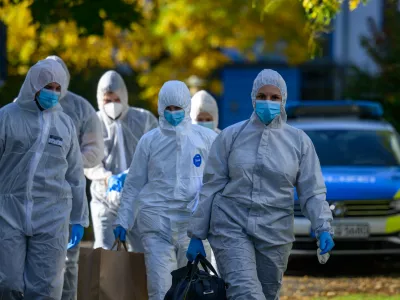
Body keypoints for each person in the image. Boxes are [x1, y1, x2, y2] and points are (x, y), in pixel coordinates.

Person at [186, 69, 335, 300]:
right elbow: (211, 187)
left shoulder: (299, 142)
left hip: (275, 232)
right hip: (230, 225)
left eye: (274, 97)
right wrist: (196, 234)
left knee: (267, 295)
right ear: (253, 97)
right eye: (262, 96)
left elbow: (312, 191)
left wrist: (323, 226)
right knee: (245, 293)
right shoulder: (230, 137)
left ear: (283, 100)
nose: (268, 102)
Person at [114, 81, 217, 300]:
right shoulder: (150, 141)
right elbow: (134, 183)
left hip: (193, 227)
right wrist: (123, 219)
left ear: (187, 107)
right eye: (168, 108)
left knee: (193, 290)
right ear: (160, 108)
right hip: (156, 225)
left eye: (177, 108)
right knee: (160, 290)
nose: (172, 113)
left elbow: (218, 182)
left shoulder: (206, 139)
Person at [0, 59, 89, 299]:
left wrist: (79, 217)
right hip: (8, 212)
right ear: (33, 86)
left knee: (47, 288)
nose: (53, 92)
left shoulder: (65, 124)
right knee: (7, 284)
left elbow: (75, 175)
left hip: (52, 215)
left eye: (58, 88)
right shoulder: (6, 117)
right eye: (47, 86)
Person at [46, 55, 104, 300]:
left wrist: (69, 161)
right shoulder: (22, 106)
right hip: (28, 197)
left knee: (68, 262)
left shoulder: (80, 109)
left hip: (68, 192)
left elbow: (95, 150)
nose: (53, 87)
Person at [85, 70, 158, 251]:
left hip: (139, 199)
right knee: (104, 252)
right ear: (99, 99)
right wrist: (108, 178)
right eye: (107, 101)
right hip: (104, 198)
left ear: (124, 97)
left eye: (116, 100)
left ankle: (140, 281)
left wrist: (131, 175)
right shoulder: (92, 121)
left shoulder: (144, 119)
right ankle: (107, 281)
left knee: (145, 253)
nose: (112, 105)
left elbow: (157, 153)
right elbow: (87, 158)